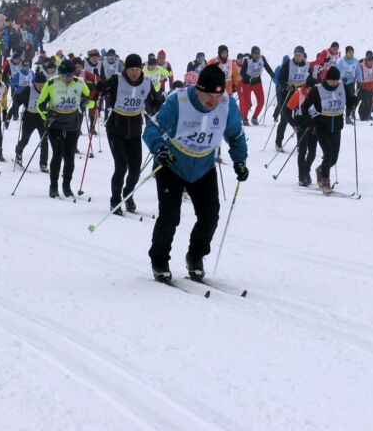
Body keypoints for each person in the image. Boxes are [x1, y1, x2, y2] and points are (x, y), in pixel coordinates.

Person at [143, 64, 248, 282]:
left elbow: (236, 135)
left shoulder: (227, 104)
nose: (212, 101)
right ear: (197, 88)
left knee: (210, 215)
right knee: (170, 216)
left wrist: (240, 161)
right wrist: (159, 148)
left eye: (217, 95)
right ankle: (159, 260)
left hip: (203, 166)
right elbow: (152, 128)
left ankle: (195, 256)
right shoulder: (178, 101)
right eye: (208, 95)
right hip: (172, 164)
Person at [99, 53, 159, 213]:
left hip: (134, 129)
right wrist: (99, 88)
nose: (134, 72)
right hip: (116, 128)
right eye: (131, 69)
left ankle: (128, 194)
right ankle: (115, 200)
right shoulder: (117, 79)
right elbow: (102, 89)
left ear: (141, 69)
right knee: (121, 166)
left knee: (135, 169)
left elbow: (153, 102)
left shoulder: (146, 82)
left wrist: (159, 102)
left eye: (137, 69)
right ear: (126, 69)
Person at [297, 66, 356, 193]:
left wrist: (353, 102)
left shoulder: (342, 87)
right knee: (328, 153)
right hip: (321, 126)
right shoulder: (318, 89)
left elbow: (349, 102)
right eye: (332, 80)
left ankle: (321, 170)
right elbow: (305, 107)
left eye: (336, 80)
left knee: (334, 158)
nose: (335, 83)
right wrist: (310, 124)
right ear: (327, 79)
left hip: (337, 126)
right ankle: (325, 181)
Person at [38, 60, 89, 198]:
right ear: (60, 74)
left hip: (72, 124)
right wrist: (47, 115)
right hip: (55, 124)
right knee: (58, 153)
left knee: (69, 157)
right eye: (66, 75)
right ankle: (53, 186)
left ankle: (66, 186)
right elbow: (40, 104)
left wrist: (83, 106)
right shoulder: (51, 84)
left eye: (71, 75)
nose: (69, 78)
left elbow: (88, 98)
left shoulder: (79, 83)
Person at [275, 46, 311, 151]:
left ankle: (300, 144)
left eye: (299, 55)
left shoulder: (307, 66)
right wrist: (287, 86)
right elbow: (280, 79)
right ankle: (278, 142)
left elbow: (310, 79)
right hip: (288, 93)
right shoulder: (288, 65)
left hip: (301, 94)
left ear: (303, 55)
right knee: (285, 118)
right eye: (295, 55)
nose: (297, 57)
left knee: (300, 118)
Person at [238, 46, 274, 125]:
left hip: (257, 82)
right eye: (255, 54)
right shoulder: (247, 60)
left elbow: (267, 67)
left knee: (261, 102)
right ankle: (245, 118)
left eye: (258, 53)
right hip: (247, 83)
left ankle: (254, 117)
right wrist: (249, 77)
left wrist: (273, 75)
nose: (257, 55)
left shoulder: (262, 58)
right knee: (247, 103)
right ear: (252, 54)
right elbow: (242, 73)